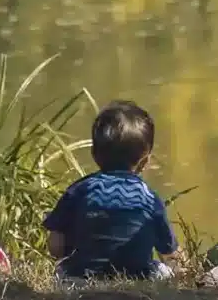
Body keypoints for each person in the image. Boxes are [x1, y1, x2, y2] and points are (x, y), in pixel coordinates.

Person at [45, 100, 178, 280]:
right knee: (162, 270)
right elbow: (169, 254)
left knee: (62, 269)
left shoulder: (79, 190)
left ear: (94, 153)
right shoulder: (150, 198)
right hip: (138, 279)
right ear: (145, 161)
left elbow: (55, 244)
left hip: (79, 280)